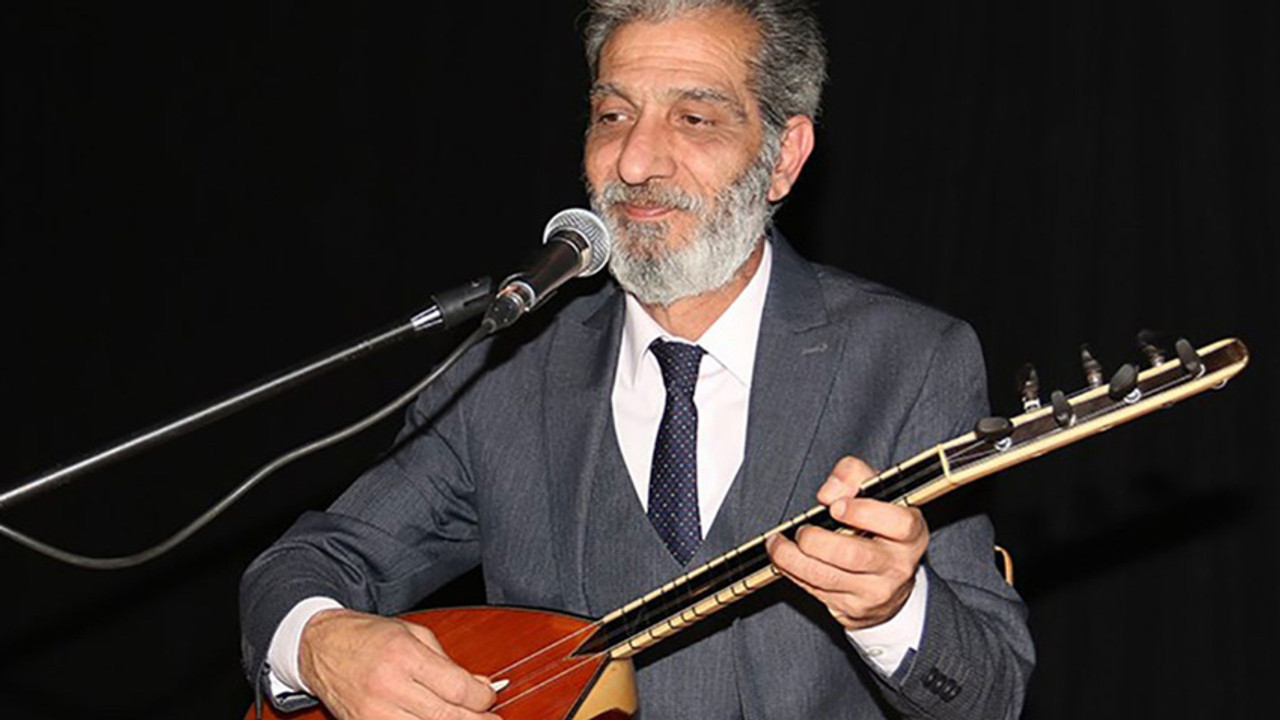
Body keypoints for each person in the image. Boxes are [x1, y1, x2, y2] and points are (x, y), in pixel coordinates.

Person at [239, 1, 1035, 718]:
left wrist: (893, 611)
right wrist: (322, 644)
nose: (634, 162)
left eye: (694, 118)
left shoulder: (907, 360)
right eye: (613, 115)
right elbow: (308, 565)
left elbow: (991, 695)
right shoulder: (505, 374)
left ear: (784, 156)